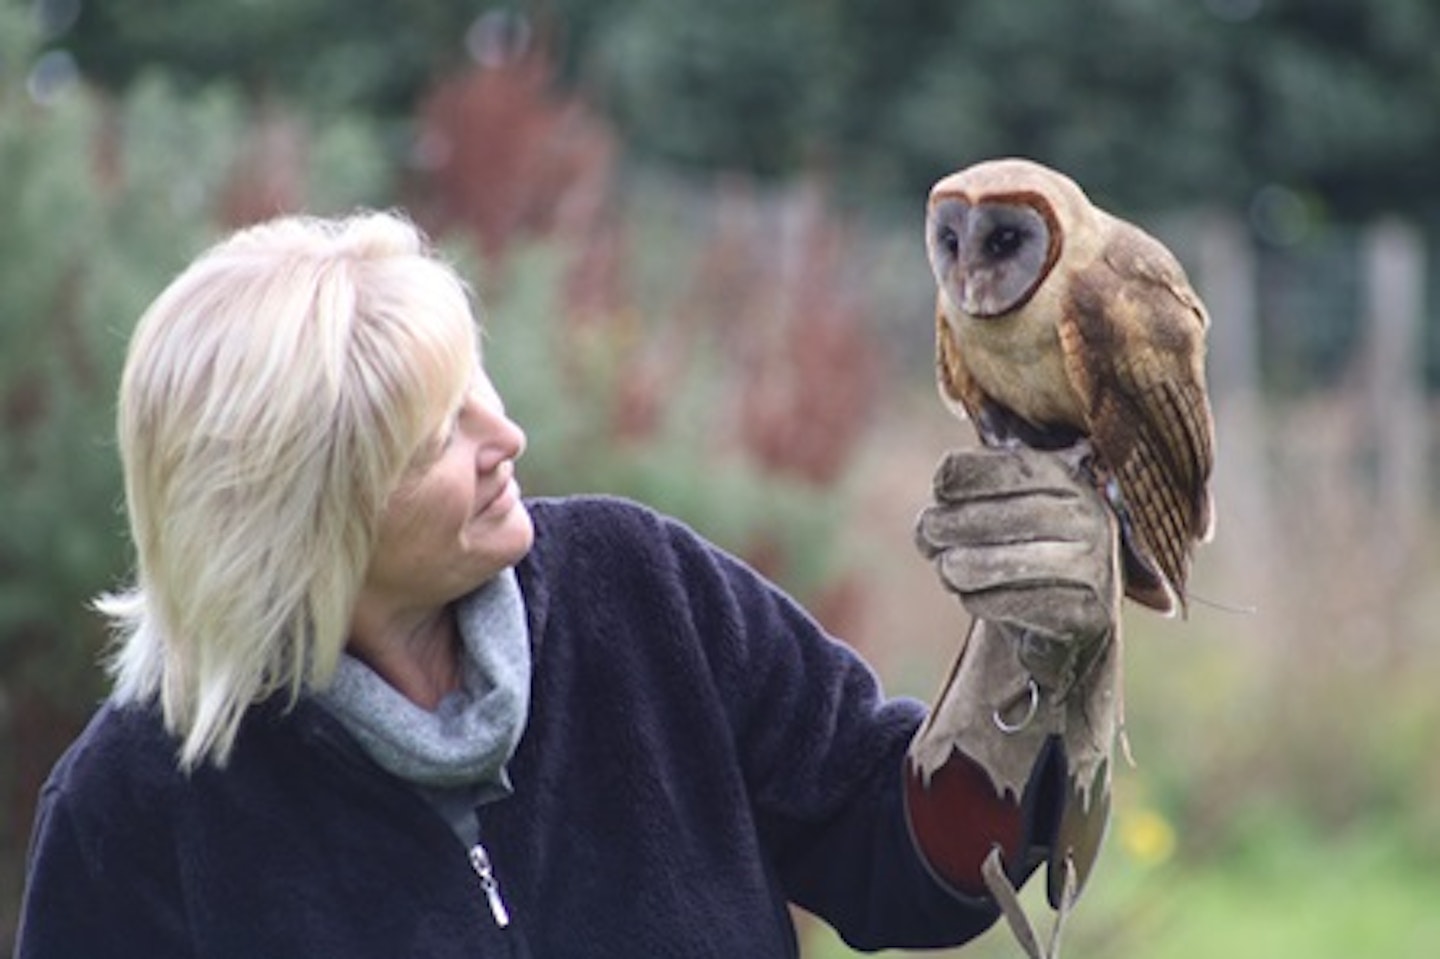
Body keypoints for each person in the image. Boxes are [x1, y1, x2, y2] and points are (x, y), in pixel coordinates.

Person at [15, 210, 1121, 958]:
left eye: (478, 387)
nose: (506, 436)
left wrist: (1022, 660)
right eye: (438, 434)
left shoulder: (638, 588)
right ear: (296, 511)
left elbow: (902, 857)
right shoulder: (131, 809)